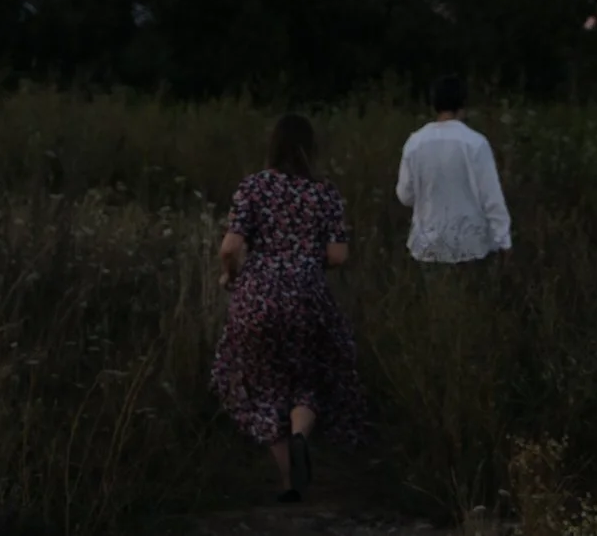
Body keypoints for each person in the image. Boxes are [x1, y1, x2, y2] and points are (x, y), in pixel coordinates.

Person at [210, 113, 368, 503]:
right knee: (310, 377)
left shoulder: (254, 187)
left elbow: (230, 247)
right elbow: (339, 255)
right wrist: (305, 261)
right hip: (307, 297)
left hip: (257, 297)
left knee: (258, 385)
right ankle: (301, 435)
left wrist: (230, 275)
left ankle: (289, 483)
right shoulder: (324, 192)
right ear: (308, 148)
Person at [395, 74, 512, 264]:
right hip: (470, 246)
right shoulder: (475, 143)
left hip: (427, 246)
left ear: (433, 104)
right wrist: (503, 240)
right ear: (463, 105)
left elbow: (405, 196)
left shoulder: (415, 143)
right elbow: (491, 197)